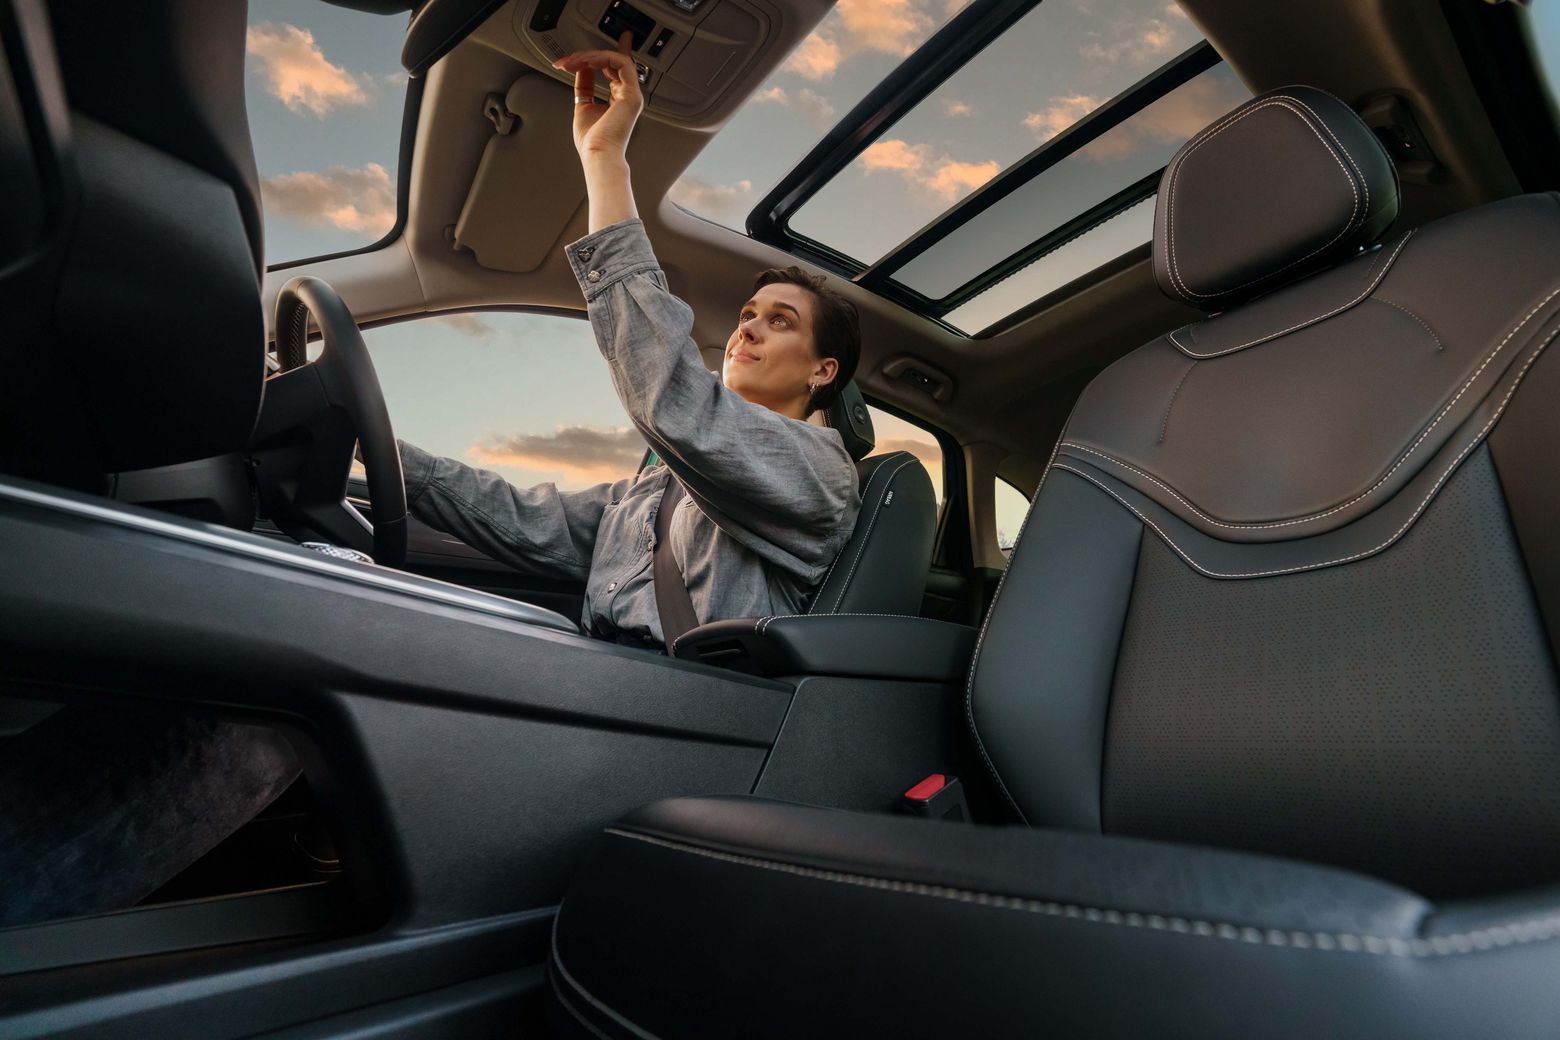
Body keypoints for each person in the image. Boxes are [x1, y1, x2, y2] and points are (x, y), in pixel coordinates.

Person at [397, 36, 863, 650]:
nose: (746, 327)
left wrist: (605, 160)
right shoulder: (664, 481)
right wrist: (376, 443)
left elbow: (673, 400)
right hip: (600, 671)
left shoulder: (820, 471)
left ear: (822, 371)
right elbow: (533, 520)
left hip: (683, 703)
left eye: (780, 322)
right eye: (749, 314)